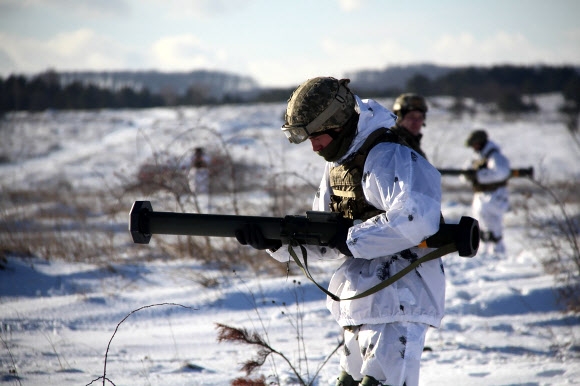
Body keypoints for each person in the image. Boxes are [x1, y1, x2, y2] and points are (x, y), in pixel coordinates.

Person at [235, 77, 445, 386]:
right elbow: (327, 236)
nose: (314, 146)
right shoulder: (338, 164)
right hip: (361, 298)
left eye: (316, 135)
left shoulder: (389, 157)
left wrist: (348, 238)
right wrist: (278, 243)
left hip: (402, 299)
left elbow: (414, 218)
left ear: (338, 125)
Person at [464, 129, 511, 256]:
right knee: (481, 225)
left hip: (495, 195)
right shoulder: (479, 157)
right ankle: (485, 253)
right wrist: (469, 175)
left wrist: (478, 176)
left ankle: (499, 253)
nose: (474, 147)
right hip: (481, 196)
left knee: (494, 226)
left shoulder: (495, 156)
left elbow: (501, 173)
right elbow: (465, 173)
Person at [391, 93, 429, 159]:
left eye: (420, 117)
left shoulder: (412, 145)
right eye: (411, 117)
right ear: (399, 118)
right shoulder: (392, 143)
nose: (416, 122)